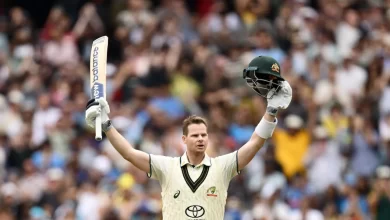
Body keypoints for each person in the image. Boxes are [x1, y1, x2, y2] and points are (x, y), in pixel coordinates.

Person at [85, 56, 292, 219]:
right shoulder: (167, 167)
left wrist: (271, 110)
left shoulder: (222, 167)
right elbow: (129, 153)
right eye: (195, 135)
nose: (201, 139)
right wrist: (106, 124)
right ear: (184, 140)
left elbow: (256, 142)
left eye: (204, 135)